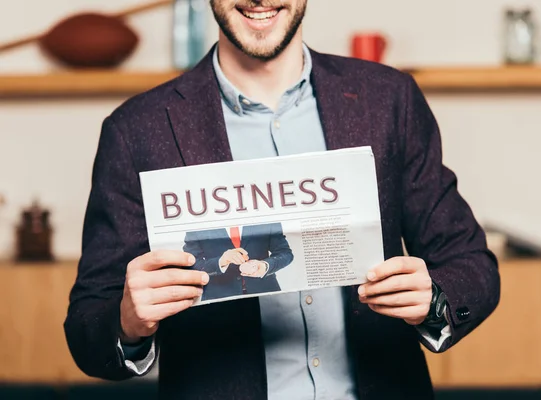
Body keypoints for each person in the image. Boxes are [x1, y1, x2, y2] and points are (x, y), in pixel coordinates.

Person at [64, 0, 501, 398]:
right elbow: (87, 326)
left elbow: (472, 264)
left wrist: (434, 299)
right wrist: (128, 321)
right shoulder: (134, 130)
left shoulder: (390, 100)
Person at [183, 223, 294, 301]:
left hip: (266, 295)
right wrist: (221, 262)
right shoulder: (196, 223)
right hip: (219, 298)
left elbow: (285, 253)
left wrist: (265, 266)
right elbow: (192, 264)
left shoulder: (265, 214)